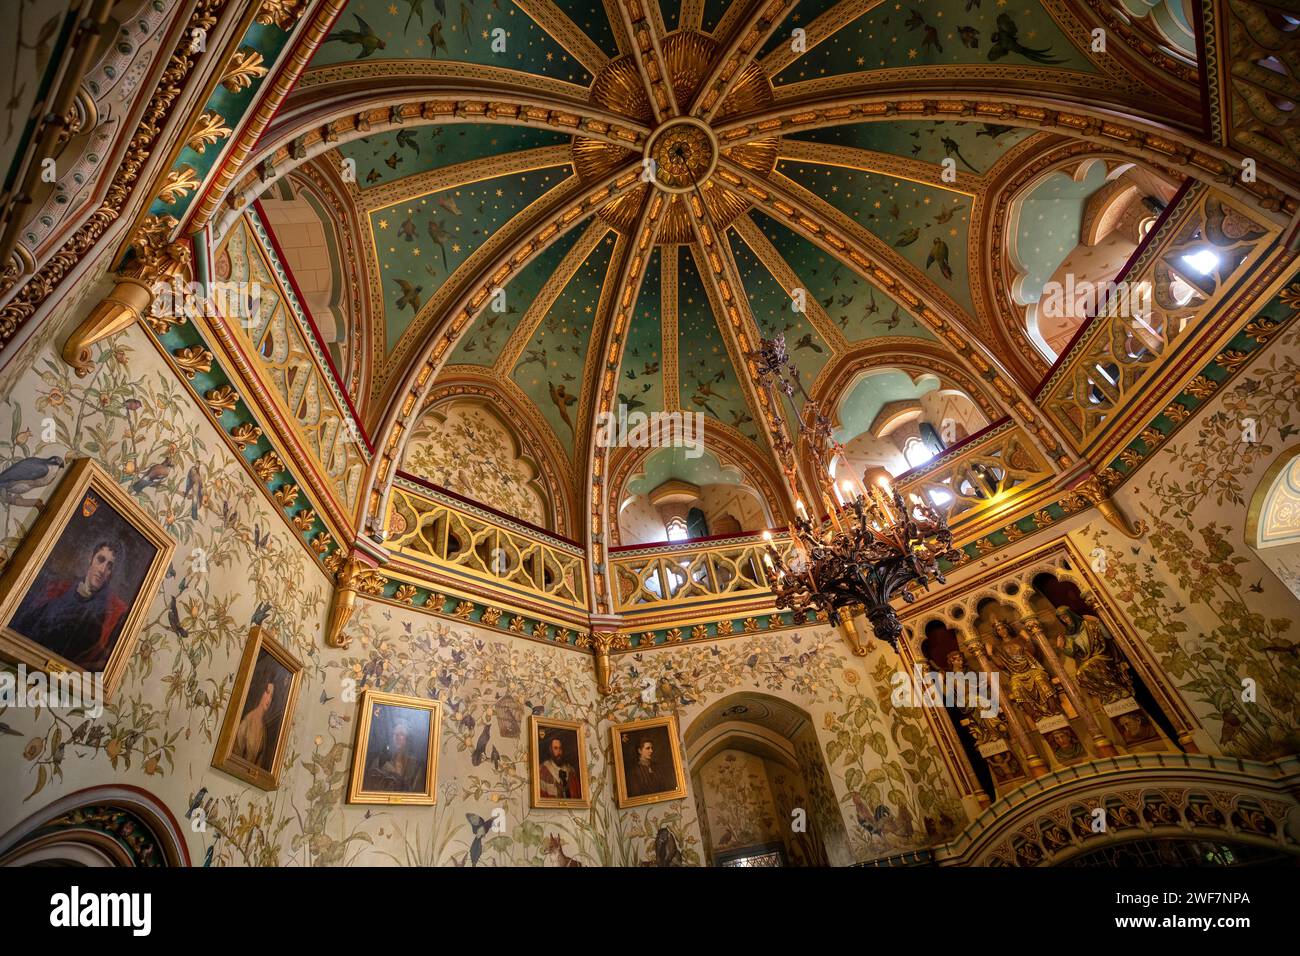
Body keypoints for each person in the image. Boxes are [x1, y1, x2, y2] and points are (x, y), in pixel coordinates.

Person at [11, 540, 128, 671]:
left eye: (109, 566)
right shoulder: (57, 589)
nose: (102, 569)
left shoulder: (111, 612)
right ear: (91, 558)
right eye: (100, 560)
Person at [364, 716, 425, 792]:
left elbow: (416, 792)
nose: (397, 737)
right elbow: (370, 782)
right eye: (394, 734)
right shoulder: (382, 759)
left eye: (401, 734)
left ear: (407, 738)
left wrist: (395, 775)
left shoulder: (415, 765)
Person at [234, 678, 277, 768]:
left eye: (272, 696)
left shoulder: (264, 730)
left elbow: (259, 764)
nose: (269, 699)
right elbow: (234, 756)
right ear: (261, 691)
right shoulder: (247, 721)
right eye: (267, 692)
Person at [538, 733, 581, 800]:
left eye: (560, 748)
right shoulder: (543, 771)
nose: (559, 752)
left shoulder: (571, 771)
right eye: (555, 748)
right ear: (550, 750)